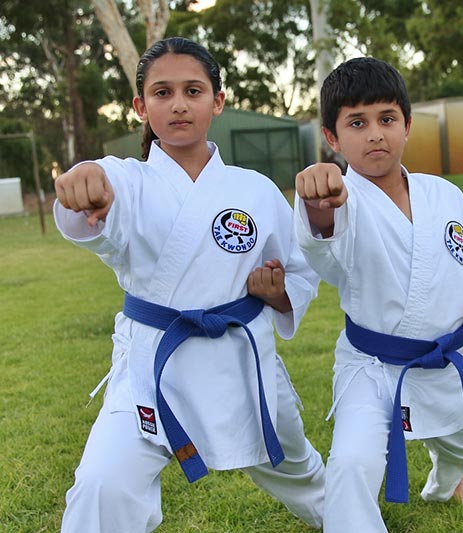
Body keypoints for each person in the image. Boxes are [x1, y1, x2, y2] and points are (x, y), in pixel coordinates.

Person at [53, 37, 324, 533]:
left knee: (298, 467)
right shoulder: (126, 181)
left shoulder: (255, 190)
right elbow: (95, 196)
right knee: (103, 482)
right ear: (140, 107)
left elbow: (300, 271)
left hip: (242, 362)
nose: (178, 104)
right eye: (162, 92)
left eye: (193, 91)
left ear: (217, 102)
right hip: (153, 368)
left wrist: (277, 292)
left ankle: (350, 519)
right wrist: (83, 184)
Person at [293, 57, 463, 533]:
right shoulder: (341, 199)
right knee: (352, 462)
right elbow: (325, 249)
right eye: (357, 123)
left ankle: (445, 483)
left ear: (407, 125)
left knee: (457, 447)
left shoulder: (445, 196)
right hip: (372, 367)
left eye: (387, 119)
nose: (375, 134)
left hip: (448, 362)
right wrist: (319, 206)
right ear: (332, 137)